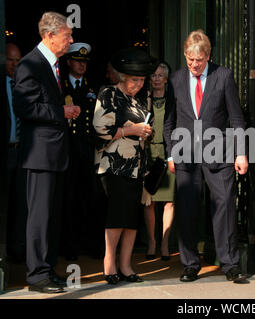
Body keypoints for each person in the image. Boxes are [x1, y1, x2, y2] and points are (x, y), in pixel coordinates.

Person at [164, 30, 248, 283]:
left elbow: (236, 117)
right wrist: (170, 153)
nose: (194, 65)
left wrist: (241, 152)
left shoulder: (223, 76)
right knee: (187, 210)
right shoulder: (176, 79)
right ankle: (190, 264)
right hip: (185, 155)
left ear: (208, 56)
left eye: (198, 61)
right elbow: (169, 120)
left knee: (224, 207)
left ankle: (230, 264)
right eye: (189, 60)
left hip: (220, 153)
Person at [12, 12, 80, 294]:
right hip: (39, 154)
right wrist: (60, 112)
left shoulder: (53, 65)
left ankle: (48, 269)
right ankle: (37, 275)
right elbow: (25, 108)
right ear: (49, 36)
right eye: (67, 36)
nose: (71, 40)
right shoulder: (30, 64)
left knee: (51, 216)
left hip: (54, 155)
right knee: (39, 216)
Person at [93, 47, 154, 285]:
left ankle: (126, 265)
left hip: (137, 166)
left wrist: (146, 132)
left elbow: (145, 128)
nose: (138, 84)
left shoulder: (138, 99)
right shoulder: (108, 93)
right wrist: (132, 130)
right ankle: (109, 264)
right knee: (117, 216)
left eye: (141, 80)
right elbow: (101, 128)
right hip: (114, 166)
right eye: (134, 80)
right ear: (122, 77)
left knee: (131, 218)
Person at [61, 42, 104, 261]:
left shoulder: (92, 85)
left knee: (91, 197)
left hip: (88, 148)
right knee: (69, 197)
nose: (81, 66)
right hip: (67, 148)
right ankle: (69, 246)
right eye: (77, 61)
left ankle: (92, 244)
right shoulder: (60, 85)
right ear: (68, 62)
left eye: (84, 62)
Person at [142, 62, 175, 261]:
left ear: (166, 79)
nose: (156, 78)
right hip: (148, 153)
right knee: (149, 202)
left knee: (169, 202)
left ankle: (164, 243)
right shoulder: (142, 100)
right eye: (153, 75)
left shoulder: (174, 101)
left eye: (160, 75)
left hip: (167, 152)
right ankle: (151, 242)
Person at [5, 42, 28, 263]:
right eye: (10, 60)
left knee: (21, 204)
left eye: (17, 60)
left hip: (22, 152)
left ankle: (17, 250)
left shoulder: (23, 86)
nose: (14, 64)